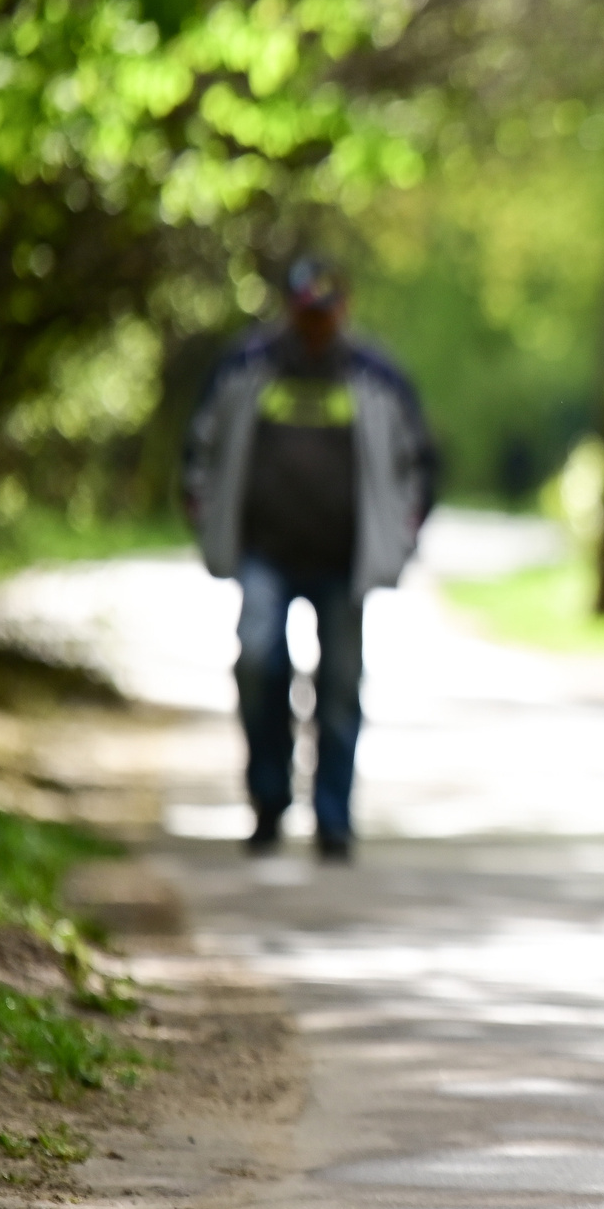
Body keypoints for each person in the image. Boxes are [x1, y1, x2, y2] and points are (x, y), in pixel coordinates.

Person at [182, 257, 438, 862]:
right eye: (305, 315)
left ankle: (333, 819)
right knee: (258, 665)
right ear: (290, 310)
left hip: (342, 561)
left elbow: (420, 462)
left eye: (325, 315)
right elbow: (201, 447)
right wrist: (206, 517)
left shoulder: (377, 376)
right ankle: (269, 804)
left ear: (342, 310)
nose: (315, 326)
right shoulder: (246, 369)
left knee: (341, 687)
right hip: (264, 553)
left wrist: (400, 537)